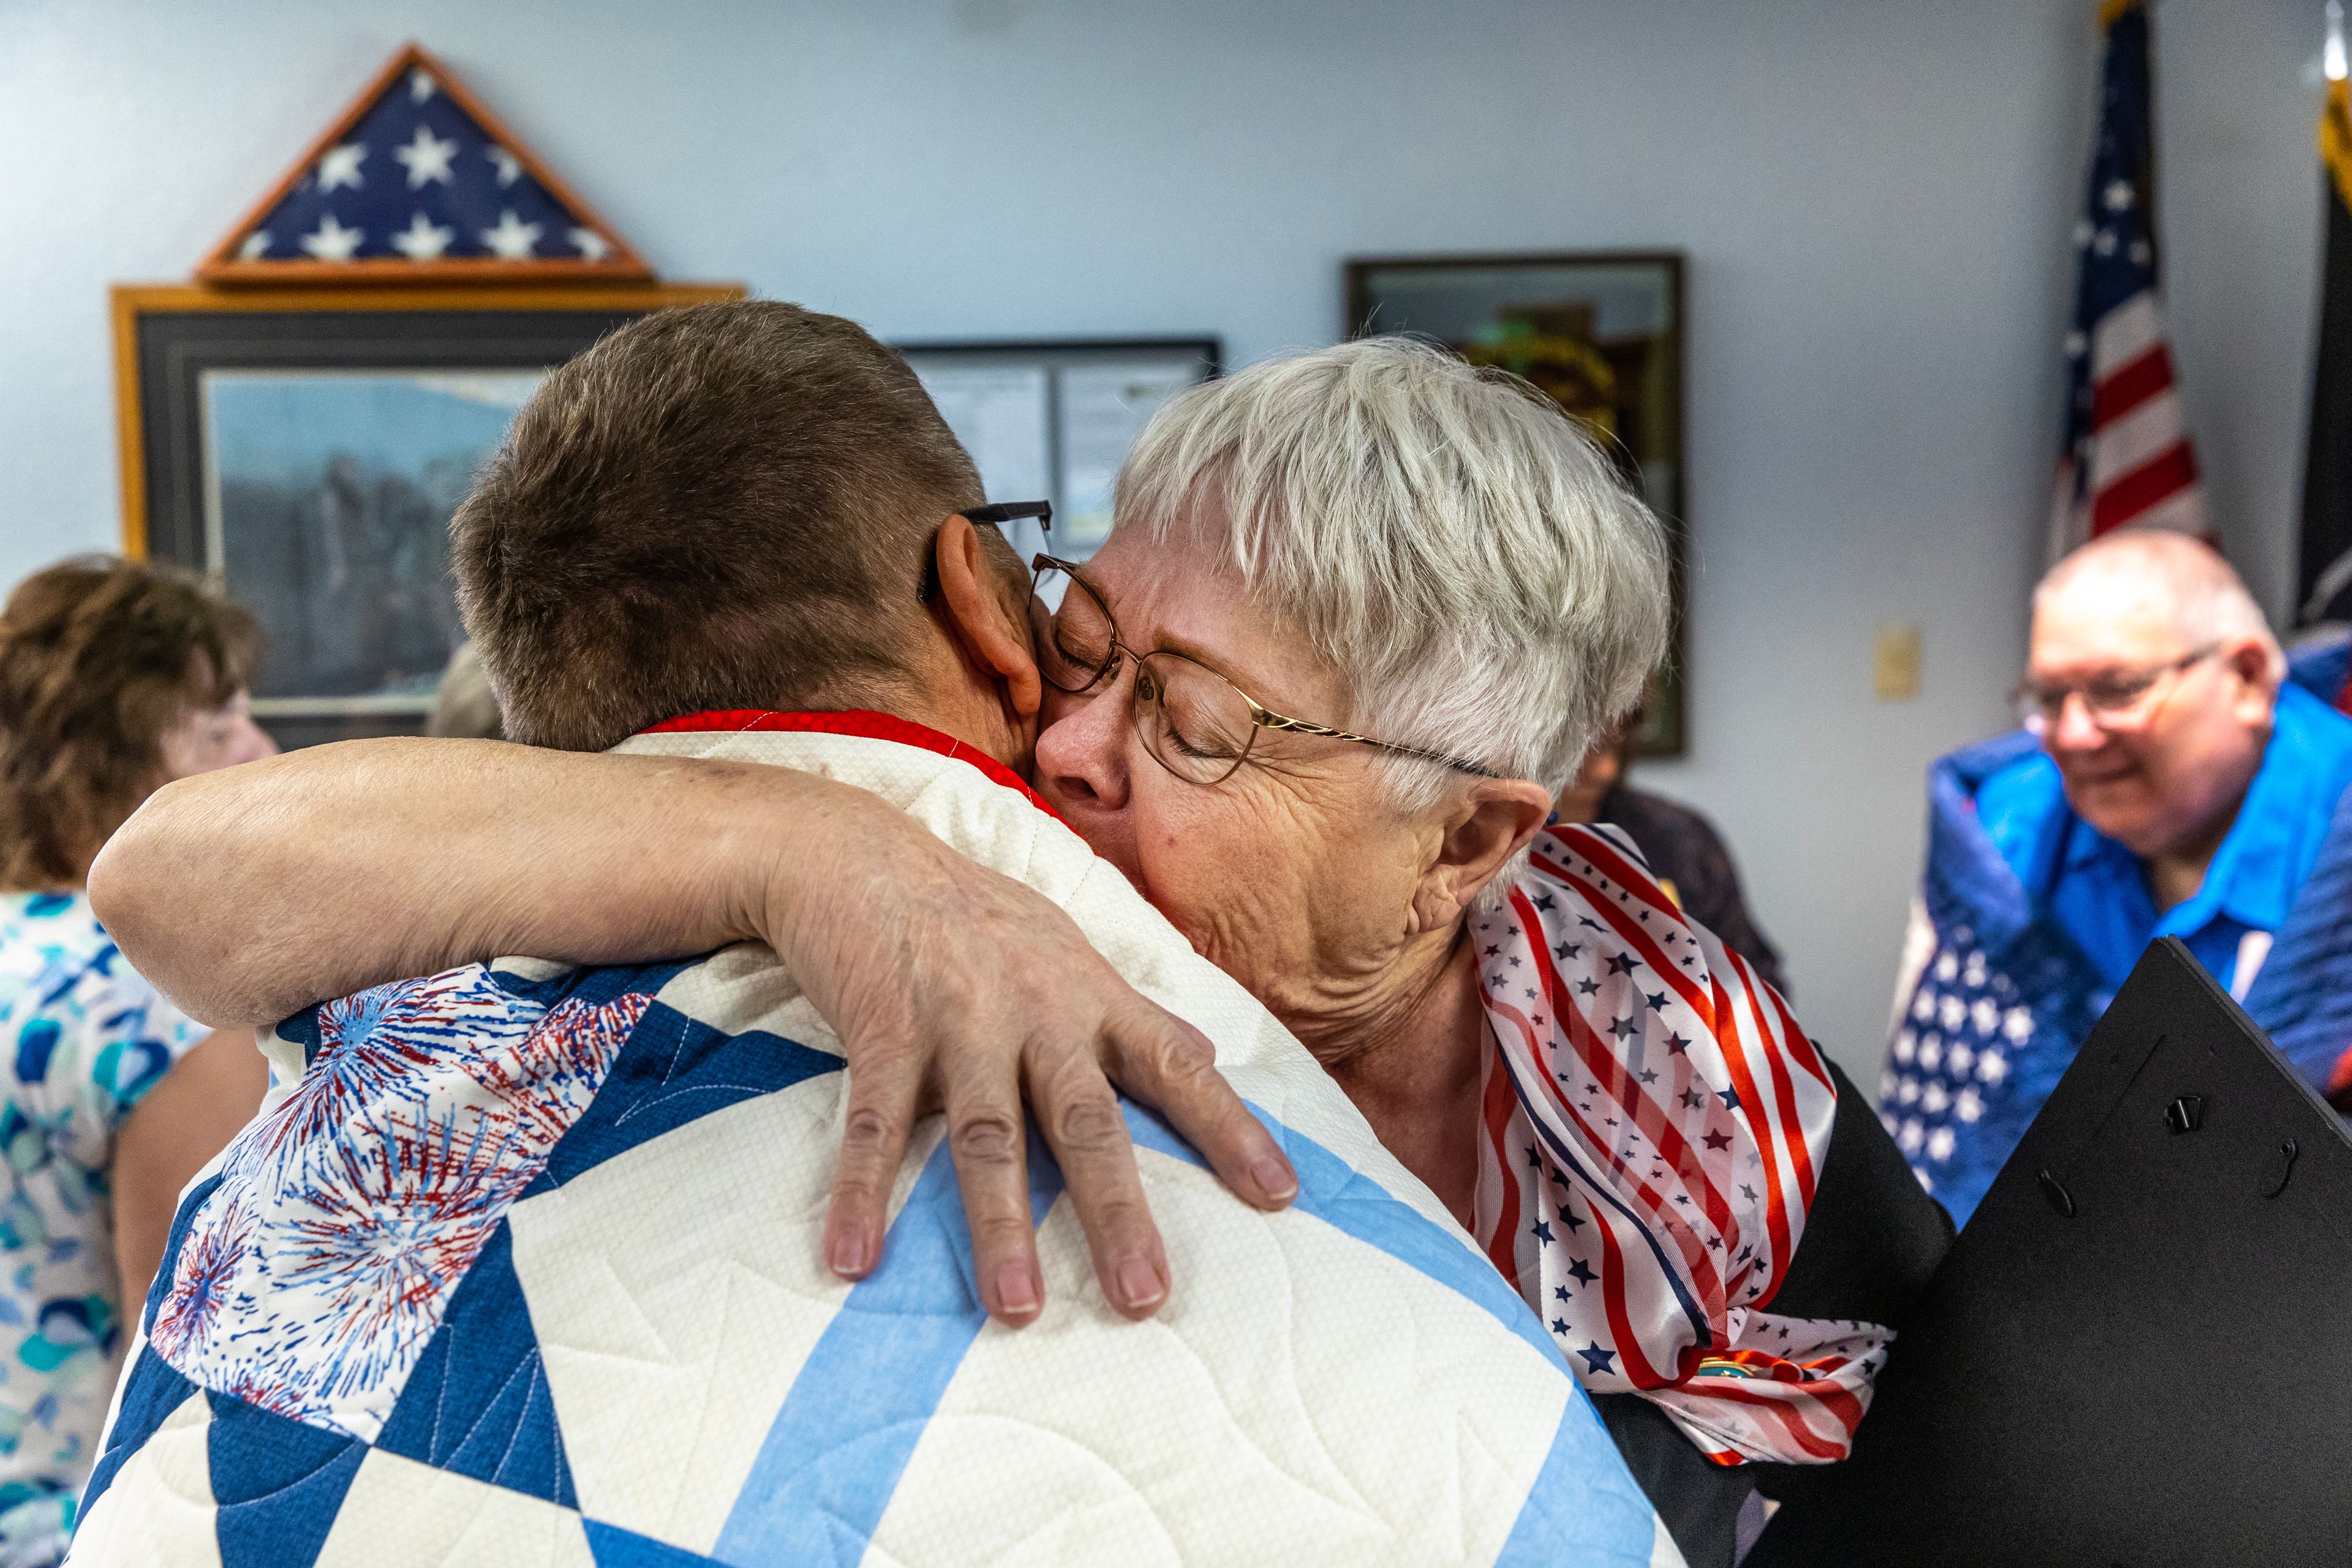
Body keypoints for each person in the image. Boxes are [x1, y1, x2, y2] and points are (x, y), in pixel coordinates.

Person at [92, 331, 1940, 1567]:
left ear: (1460, 838)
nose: (1060, 739)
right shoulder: (954, 867)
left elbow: (1937, 1427)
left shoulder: (1693, 1081)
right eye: (1082, 635)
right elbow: (180, 865)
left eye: (1194, 720)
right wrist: (800, 839)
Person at [1888, 529, 2352, 1222]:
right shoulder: (2005, 830)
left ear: (2250, 678)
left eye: (2118, 689)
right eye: (2049, 699)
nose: (2072, 735)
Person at [0, 557, 273, 1565]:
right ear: (103, 762)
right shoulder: (163, 1008)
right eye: (217, 728)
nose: (260, 750)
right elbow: (188, 1374)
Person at [1553, 717, 1789, 995]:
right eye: (1585, 749)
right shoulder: (1495, 843)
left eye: (1615, 746)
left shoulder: (1677, 838)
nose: (1607, 770)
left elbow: (1756, 978)